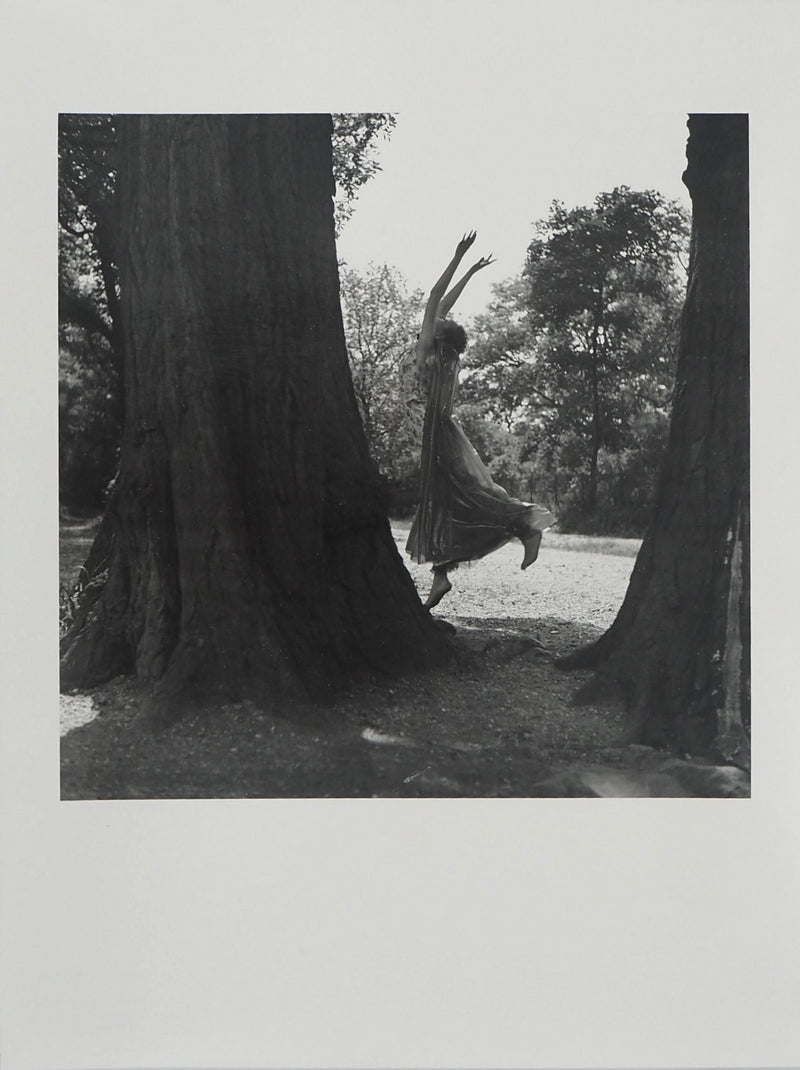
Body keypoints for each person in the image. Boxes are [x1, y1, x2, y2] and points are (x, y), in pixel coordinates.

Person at [406, 232, 556, 609]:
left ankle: (526, 523)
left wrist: (458, 256)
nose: (437, 319)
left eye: (438, 322)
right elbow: (442, 305)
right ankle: (441, 575)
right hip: (442, 429)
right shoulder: (448, 355)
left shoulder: (429, 350)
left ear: (438, 335)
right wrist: (471, 272)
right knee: (449, 503)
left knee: (466, 497)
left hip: (437, 431)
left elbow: (434, 299)